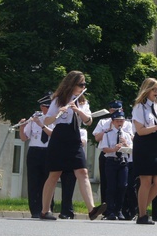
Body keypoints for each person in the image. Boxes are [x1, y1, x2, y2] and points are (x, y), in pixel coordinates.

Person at [39, 71, 106, 221]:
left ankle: (92, 210)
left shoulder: (82, 102)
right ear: (71, 84)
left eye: (84, 85)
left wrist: (78, 111)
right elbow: (47, 121)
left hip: (75, 136)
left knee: (83, 171)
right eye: (80, 84)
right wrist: (60, 111)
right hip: (60, 137)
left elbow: (88, 121)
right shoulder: (58, 100)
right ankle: (45, 210)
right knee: (54, 174)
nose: (83, 87)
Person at [131, 78, 157, 225]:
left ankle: (141, 207)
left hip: (156, 143)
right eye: (154, 89)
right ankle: (142, 214)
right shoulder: (139, 107)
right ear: (147, 90)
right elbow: (140, 131)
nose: (156, 92)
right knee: (145, 180)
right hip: (143, 144)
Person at [19, 92, 53, 218]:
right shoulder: (34, 118)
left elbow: (54, 135)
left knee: (48, 181)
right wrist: (22, 127)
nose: (48, 110)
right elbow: (24, 138)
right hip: (34, 151)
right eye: (46, 107)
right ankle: (35, 210)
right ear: (41, 107)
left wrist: (42, 125)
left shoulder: (56, 118)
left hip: (49, 151)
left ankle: (48, 208)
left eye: (50, 107)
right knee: (34, 181)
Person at [99, 111, 132, 220]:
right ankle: (110, 211)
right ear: (113, 122)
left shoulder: (126, 134)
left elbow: (131, 150)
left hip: (123, 161)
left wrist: (125, 144)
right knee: (111, 187)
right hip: (111, 160)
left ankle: (119, 210)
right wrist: (114, 149)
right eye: (117, 121)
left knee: (123, 186)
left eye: (121, 121)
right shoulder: (107, 134)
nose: (119, 123)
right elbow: (104, 149)